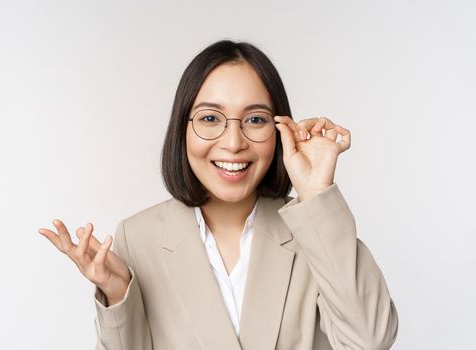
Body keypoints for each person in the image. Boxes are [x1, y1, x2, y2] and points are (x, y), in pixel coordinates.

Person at [38, 40, 398, 349]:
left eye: (255, 120)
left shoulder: (314, 233)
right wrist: (118, 298)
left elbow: (370, 340)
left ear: (280, 130)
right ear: (183, 129)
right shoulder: (139, 237)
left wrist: (316, 193)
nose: (233, 142)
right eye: (210, 118)